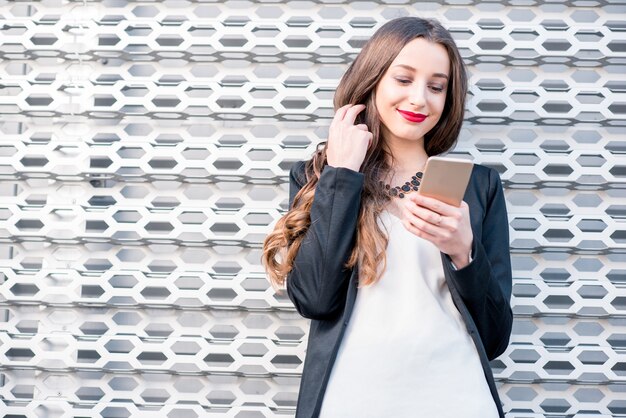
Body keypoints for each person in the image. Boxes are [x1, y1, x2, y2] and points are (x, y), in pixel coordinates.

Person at [262, 16, 512, 418]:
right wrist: (342, 174)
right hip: (351, 399)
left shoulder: (478, 187)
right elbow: (314, 297)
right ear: (373, 78)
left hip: (458, 398)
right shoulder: (319, 177)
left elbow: (496, 337)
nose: (419, 99)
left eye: (436, 87)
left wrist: (464, 253)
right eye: (403, 79)